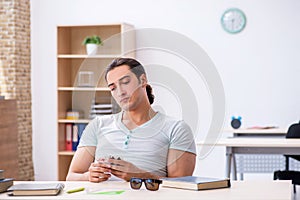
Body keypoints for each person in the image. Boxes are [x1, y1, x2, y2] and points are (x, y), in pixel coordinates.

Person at [66, 57, 196, 182]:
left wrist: (141, 175)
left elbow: (181, 187)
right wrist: (88, 176)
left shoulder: (176, 129)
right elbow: (71, 177)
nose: (120, 92)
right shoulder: (98, 125)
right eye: (113, 88)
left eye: (125, 82)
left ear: (143, 80)